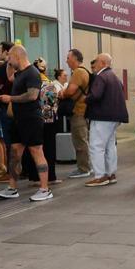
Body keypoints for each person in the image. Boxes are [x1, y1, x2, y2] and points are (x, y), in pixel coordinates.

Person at [0, 44, 53, 202]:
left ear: (18, 57)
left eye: (11, 58)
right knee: (14, 154)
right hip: (18, 119)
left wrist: (10, 98)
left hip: (31, 119)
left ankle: (45, 189)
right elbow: (10, 78)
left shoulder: (32, 73)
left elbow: (32, 96)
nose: (10, 61)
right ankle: (12, 188)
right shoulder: (19, 73)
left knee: (36, 152)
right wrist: (7, 61)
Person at [84, 53, 128, 187]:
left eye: (96, 61)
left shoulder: (101, 76)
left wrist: (86, 99)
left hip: (102, 116)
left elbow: (96, 95)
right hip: (114, 117)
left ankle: (100, 176)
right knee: (110, 146)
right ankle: (111, 174)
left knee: (96, 146)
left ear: (103, 63)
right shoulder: (114, 77)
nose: (94, 64)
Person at [59, 49, 92, 179]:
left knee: (80, 140)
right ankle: (86, 166)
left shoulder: (78, 72)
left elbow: (70, 91)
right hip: (82, 110)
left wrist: (62, 93)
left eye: (68, 58)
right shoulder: (83, 71)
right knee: (83, 140)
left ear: (75, 59)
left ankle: (84, 168)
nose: (66, 60)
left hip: (78, 111)